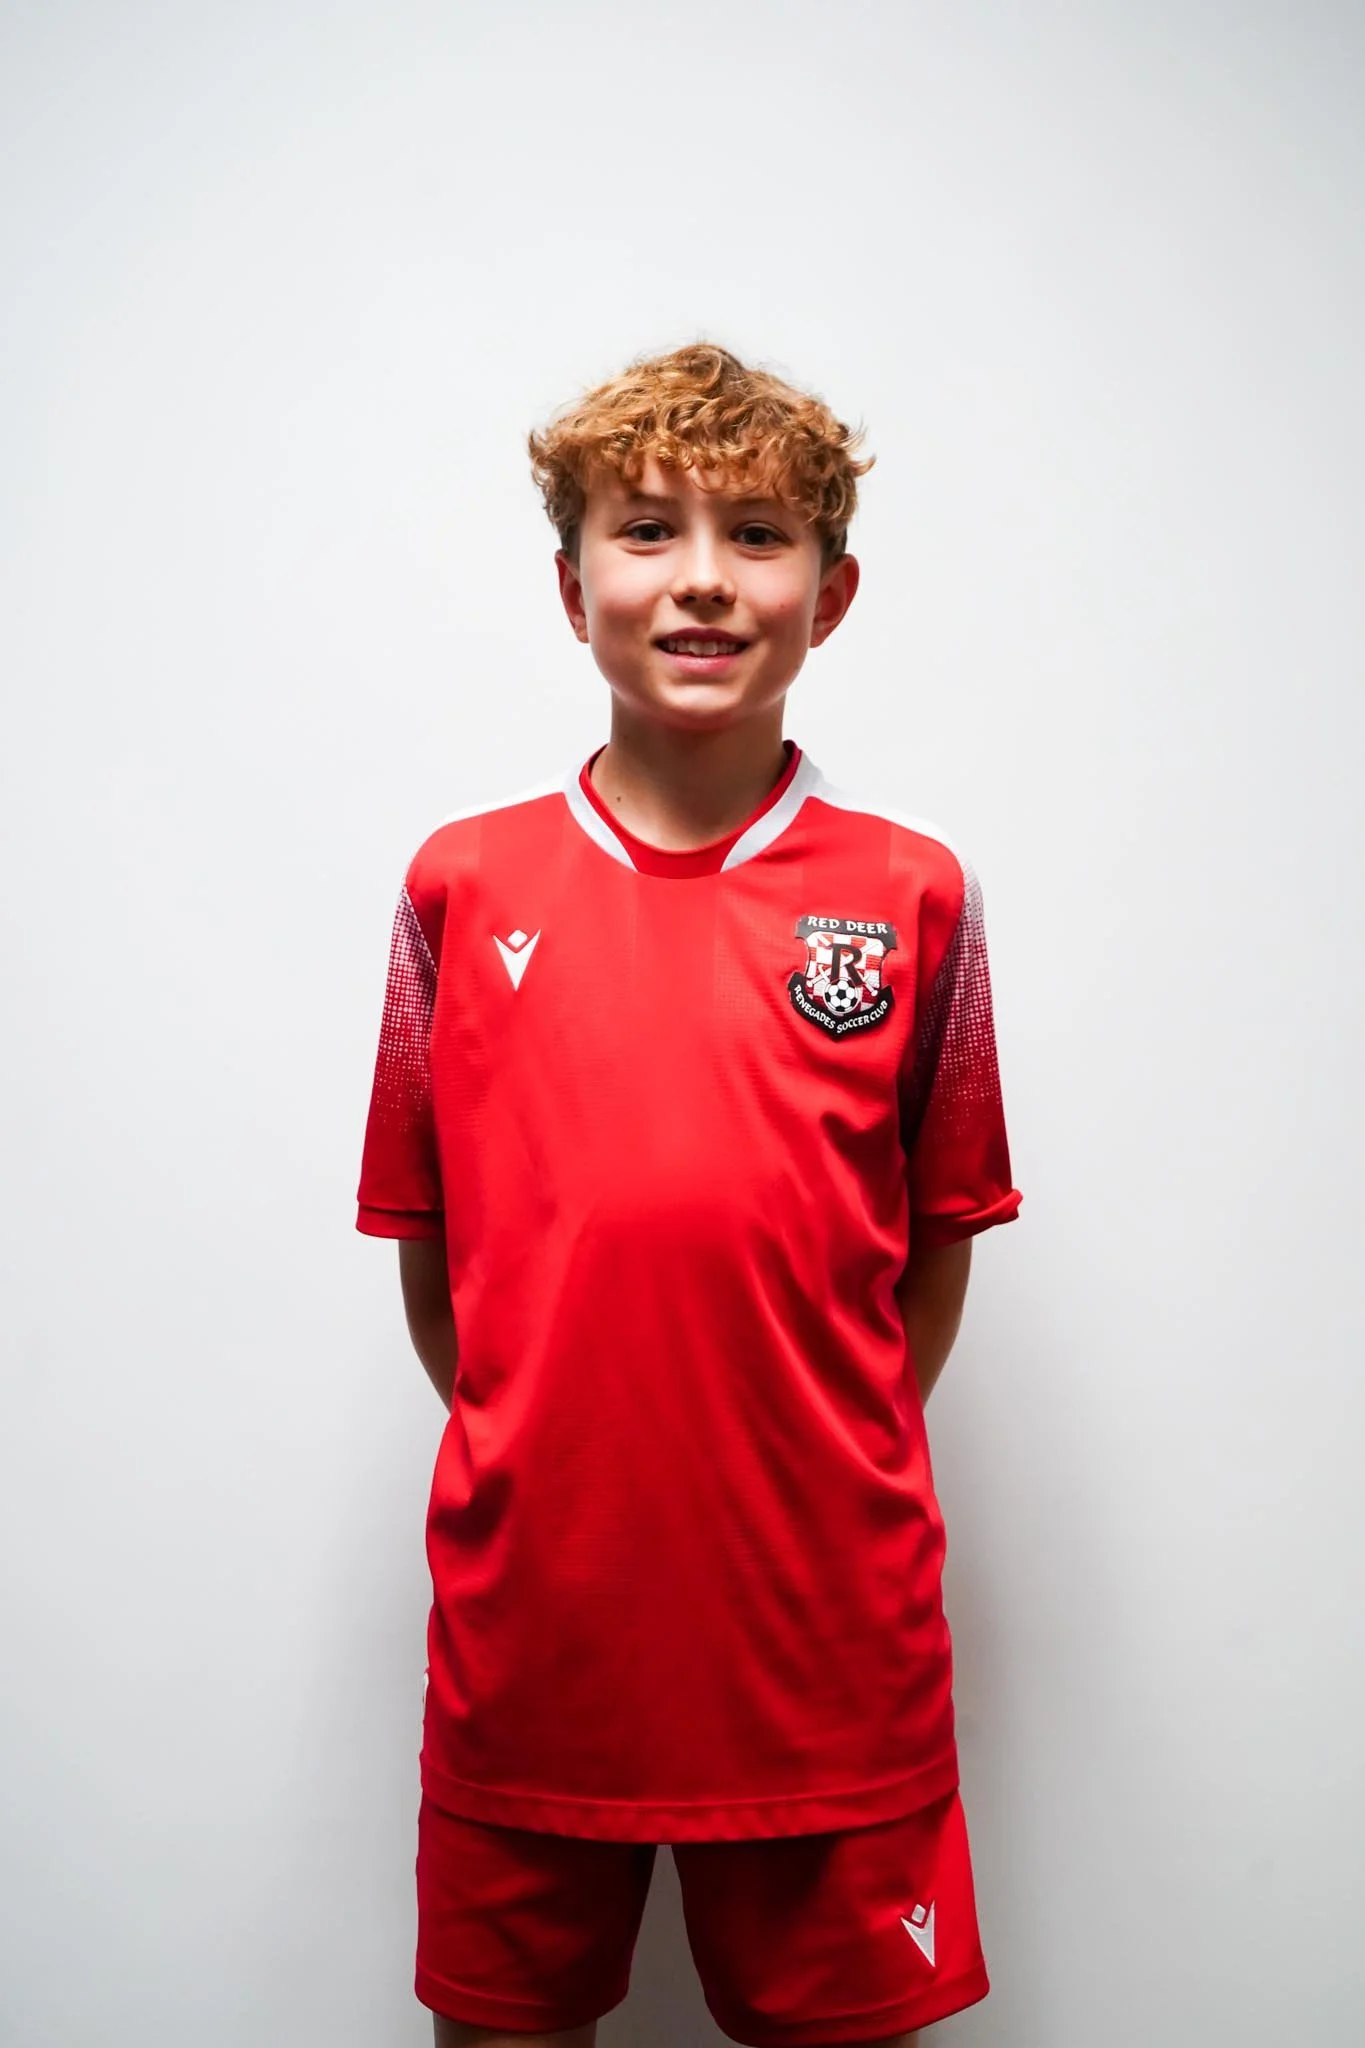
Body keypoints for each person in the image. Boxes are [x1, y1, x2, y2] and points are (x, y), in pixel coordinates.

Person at [355, 341, 1023, 2048]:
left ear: (832, 594)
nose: (705, 578)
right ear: (571, 586)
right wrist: (559, 1451)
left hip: (826, 1651)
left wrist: (800, 1458)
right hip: (535, 1642)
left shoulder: (915, 897)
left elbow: (934, 1252)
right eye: (648, 530)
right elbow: (440, 1265)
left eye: (761, 535)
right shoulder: (460, 887)